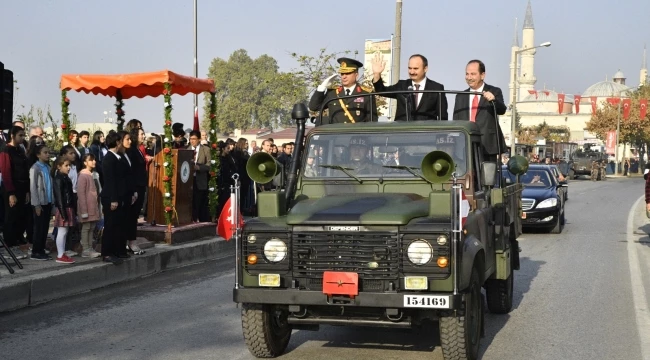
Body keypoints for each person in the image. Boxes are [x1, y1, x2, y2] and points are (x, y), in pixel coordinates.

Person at [453, 60, 507, 159]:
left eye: (473, 74)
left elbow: (502, 110)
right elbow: (456, 121)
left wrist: (493, 100)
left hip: (487, 146)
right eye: (467, 74)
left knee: (487, 174)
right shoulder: (460, 96)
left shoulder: (494, 91)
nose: (469, 77)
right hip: (465, 147)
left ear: (482, 75)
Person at [371, 53, 448, 121]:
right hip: (403, 133)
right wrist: (376, 74)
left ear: (425, 69)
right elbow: (381, 91)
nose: (412, 72)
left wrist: (441, 135)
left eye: (415, 68)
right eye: (409, 68)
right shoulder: (402, 85)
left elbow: (443, 116)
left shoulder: (436, 88)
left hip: (426, 134)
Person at [309, 58, 378, 125]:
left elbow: (372, 121)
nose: (344, 77)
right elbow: (314, 107)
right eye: (342, 74)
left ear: (356, 75)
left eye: (347, 73)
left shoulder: (366, 94)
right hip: (336, 135)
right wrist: (322, 87)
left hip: (356, 135)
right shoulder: (333, 93)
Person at [0, 126, 30, 259]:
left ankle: (16, 242)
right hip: (11, 188)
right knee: (10, 217)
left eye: (24, 135)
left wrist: (27, 190)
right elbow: (6, 172)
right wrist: (11, 193)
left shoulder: (20, 150)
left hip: (23, 187)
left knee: (20, 216)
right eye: (20, 135)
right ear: (12, 135)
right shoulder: (6, 150)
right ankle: (8, 246)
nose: (22, 138)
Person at [100, 132, 128, 265]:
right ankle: (106, 253)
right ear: (117, 142)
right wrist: (113, 199)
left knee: (118, 225)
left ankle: (116, 250)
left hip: (119, 195)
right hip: (111, 196)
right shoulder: (109, 158)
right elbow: (110, 181)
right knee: (110, 225)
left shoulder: (118, 157)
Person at [29, 143, 53, 261]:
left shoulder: (48, 168)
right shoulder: (35, 168)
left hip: (48, 201)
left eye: (48, 152)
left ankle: (41, 249)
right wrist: (36, 204)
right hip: (40, 203)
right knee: (39, 227)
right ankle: (36, 251)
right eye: (45, 152)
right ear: (38, 155)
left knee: (45, 227)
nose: (48, 154)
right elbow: (33, 187)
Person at [52, 155, 76, 264]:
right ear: (59, 166)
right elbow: (59, 197)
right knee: (62, 231)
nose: (68, 168)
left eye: (69, 165)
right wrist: (62, 212)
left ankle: (62, 252)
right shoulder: (58, 179)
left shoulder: (65, 178)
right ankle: (60, 254)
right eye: (66, 165)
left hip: (68, 207)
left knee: (65, 231)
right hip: (63, 207)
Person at [76, 154, 102, 258]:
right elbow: (81, 194)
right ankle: (86, 249)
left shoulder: (93, 174)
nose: (94, 161)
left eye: (94, 159)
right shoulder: (83, 175)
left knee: (91, 227)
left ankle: (90, 247)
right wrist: (84, 210)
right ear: (84, 162)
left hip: (93, 206)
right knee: (86, 227)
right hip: (86, 207)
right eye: (91, 160)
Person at [187, 130, 211, 222]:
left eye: (194, 139)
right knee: (190, 203)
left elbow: (209, 165)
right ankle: (190, 219)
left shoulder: (206, 150)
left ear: (199, 139)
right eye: (190, 139)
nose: (192, 141)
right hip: (188, 181)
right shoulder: (186, 150)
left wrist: (199, 168)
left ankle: (200, 220)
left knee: (199, 203)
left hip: (200, 181)